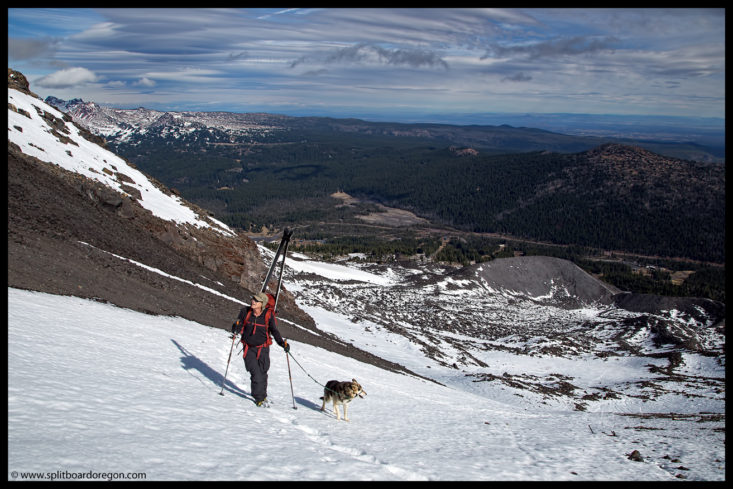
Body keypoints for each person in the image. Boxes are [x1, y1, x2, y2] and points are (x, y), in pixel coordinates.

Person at [231, 291, 289, 406]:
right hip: (249, 348)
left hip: (263, 348)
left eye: (256, 300)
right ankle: (259, 398)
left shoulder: (268, 315)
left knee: (263, 372)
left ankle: (263, 395)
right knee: (256, 373)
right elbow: (237, 326)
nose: (253, 301)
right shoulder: (245, 312)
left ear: (262, 304)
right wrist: (236, 328)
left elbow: (274, 330)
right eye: (253, 299)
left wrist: (282, 344)